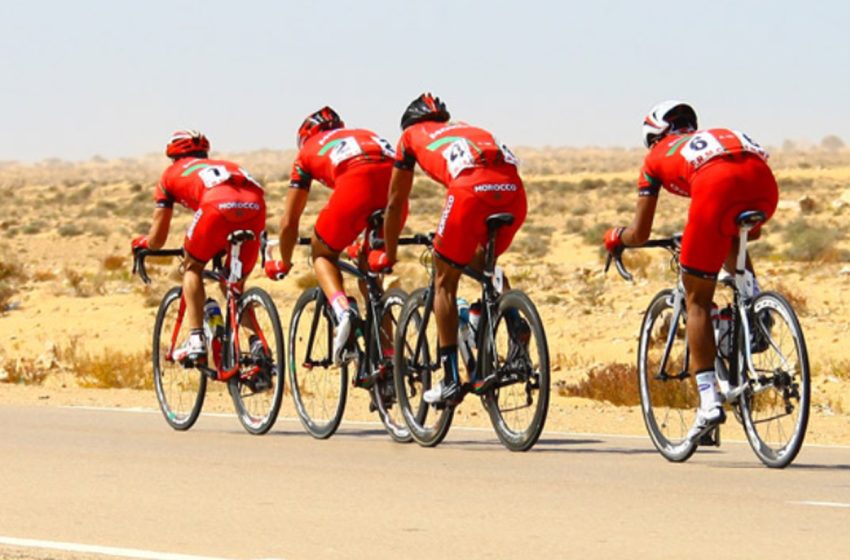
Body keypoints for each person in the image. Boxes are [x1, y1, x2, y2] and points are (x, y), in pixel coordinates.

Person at [604, 100, 778, 442]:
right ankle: (754, 304)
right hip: (763, 186)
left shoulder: (656, 156)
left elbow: (640, 233)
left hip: (716, 189)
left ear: (654, 135)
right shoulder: (713, 135)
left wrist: (616, 238)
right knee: (732, 234)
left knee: (698, 300)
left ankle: (709, 402)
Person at [372, 93, 527, 404]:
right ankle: (510, 323)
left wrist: (389, 252)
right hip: (513, 192)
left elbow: (395, 202)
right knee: (484, 262)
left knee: (444, 281)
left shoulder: (410, 137)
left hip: (469, 194)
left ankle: (450, 379)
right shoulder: (466, 128)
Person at [264, 106, 405, 366]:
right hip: (395, 190)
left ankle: (343, 312)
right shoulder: (365, 133)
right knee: (370, 273)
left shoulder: (307, 151)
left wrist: (283, 261)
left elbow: (289, 222)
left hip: (355, 185)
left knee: (322, 252)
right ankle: (388, 356)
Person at [132, 130, 266, 366]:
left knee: (193, 267)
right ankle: (256, 344)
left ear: (173, 156)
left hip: (216, 208)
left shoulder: (170, 175)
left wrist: (142, 244)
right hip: (255, 206)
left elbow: (157, 239)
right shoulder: (224, 164)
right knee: (234, 287)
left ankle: (196, 338)